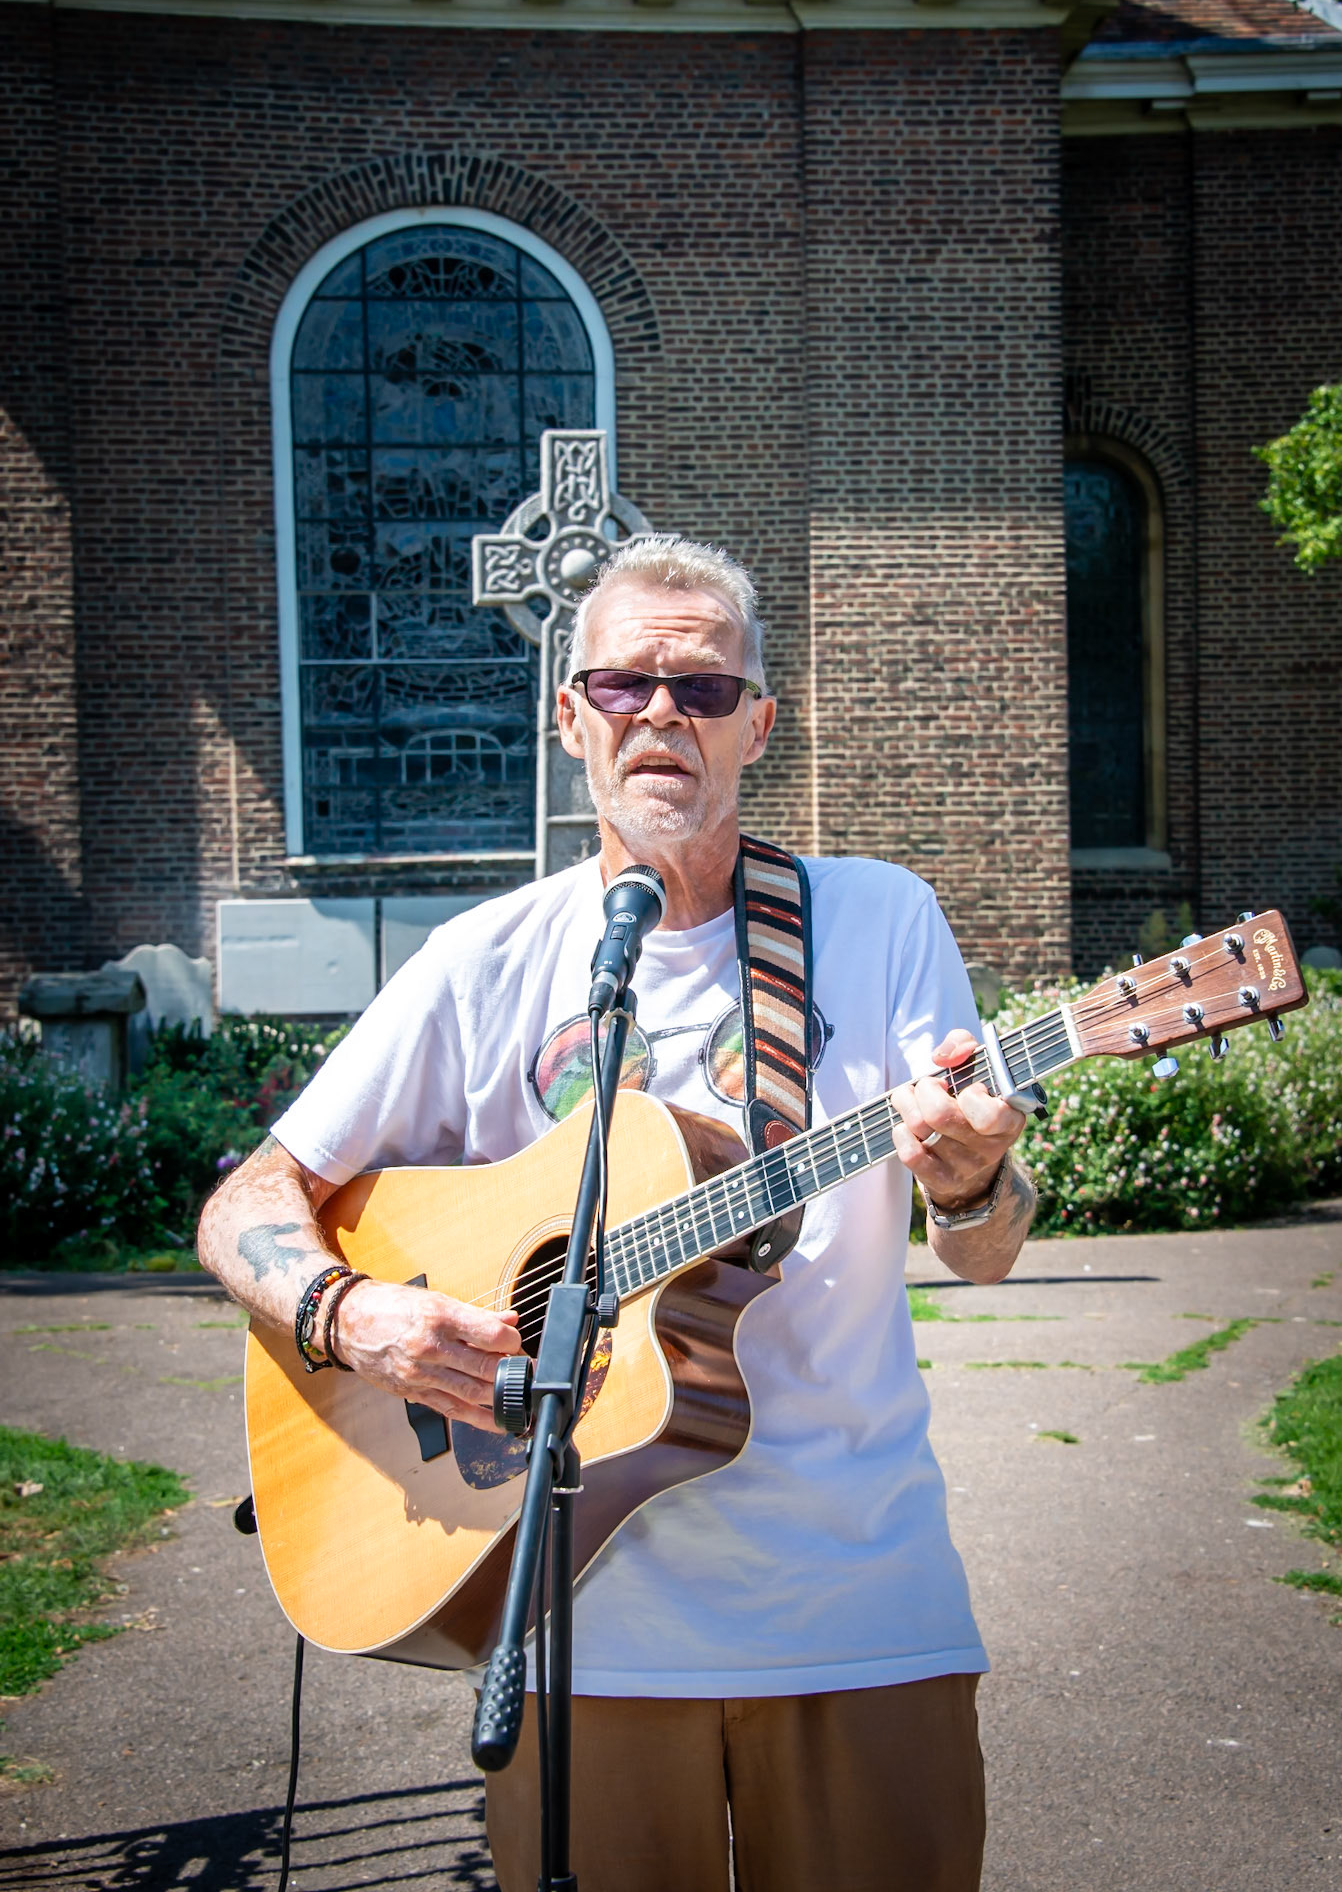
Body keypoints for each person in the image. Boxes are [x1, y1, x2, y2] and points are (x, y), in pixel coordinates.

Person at [198, 536, 1037, 1892]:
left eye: (703, 690)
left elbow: (985, 1254)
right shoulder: (483, 962)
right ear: (567, 714)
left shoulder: (879, 922)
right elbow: (249, 1203)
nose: (661, 713)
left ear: (756, 724)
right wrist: (356, 1320)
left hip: (856, 1604)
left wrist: (970, 1179)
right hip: (574, 1618)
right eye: (624, 682)